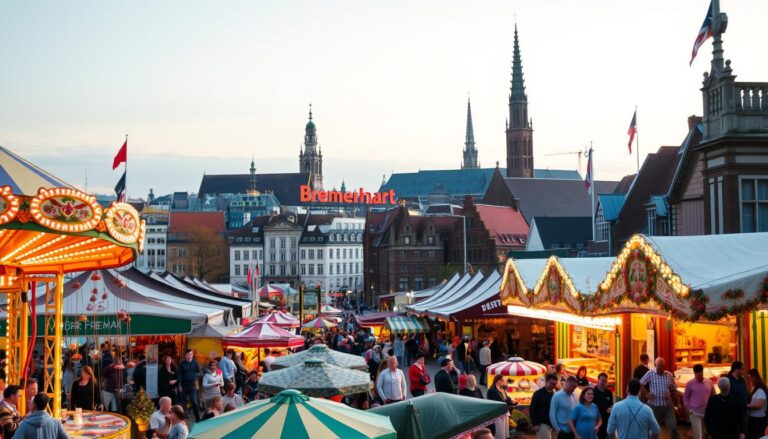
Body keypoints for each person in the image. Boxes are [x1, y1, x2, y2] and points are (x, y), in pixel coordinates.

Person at [640, 357, 679, 439]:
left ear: (664, 366)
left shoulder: (669, 375)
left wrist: (678, 403)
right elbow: (640, 384)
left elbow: (674, 390)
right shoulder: (650, 373)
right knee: (654, 430)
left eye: (662, 367)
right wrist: (647, 394)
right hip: (654, 407)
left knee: (673, 426)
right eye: (658, 367)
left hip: (667, 406)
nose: (660, 369)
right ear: (655, 365)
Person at [683, 364, 714, 439]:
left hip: (706, 413)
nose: (699, 376)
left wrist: (712, 407)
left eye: (700, 373)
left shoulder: (709, 382)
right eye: (697, 374)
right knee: (698, 436)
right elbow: (685, 397)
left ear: (702, 372)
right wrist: (689, 408)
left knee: (707, 434)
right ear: (694, 373)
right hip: (694, 413)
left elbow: (713, 395)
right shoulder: (690, 384)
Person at [531, 373, 557, 439]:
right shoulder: (538, 393)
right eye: (552, 383)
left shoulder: (554, 393)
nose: (554, 386)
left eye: (555, 384)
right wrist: (535, 424)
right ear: (546, 382)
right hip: (541, 423)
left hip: (552, 423)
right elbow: (532, 409)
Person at [178, 350, 201, 422]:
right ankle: (183, 418)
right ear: (185, 355)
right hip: (184, 385)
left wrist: (195, 376)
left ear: (192, 355)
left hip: (192, 385)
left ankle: (198, 418)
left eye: (191, 354)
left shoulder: (195, 362)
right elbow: (179, 375)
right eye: (188, 354)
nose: (189, 355)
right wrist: (179, 385)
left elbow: (199, 372)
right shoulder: (182, 363)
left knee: (194, 401)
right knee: (183, 403)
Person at [747, 368, 767, 439]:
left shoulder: (760, 390)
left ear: (754, 377)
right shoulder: (755, 388)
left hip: (758, 420)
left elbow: (759, 405)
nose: (750, 380)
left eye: (750, 378)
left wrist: (747, 406)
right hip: (754, 418)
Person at [592, 373, 613, 439]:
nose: (604, 382)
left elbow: (611, 404)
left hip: (605, 420)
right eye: (602, 380)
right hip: (595, 420)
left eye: (605, 381)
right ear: (598, 380)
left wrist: (610, 408)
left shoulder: (609, 392)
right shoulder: (593, 391)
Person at [730, 361, 750, 427]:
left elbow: (746, 392)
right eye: (742, 369)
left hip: (744, 412)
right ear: (736, 369)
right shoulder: (729, 380)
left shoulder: (742, 380)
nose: (743, 372)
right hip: (734, 413)